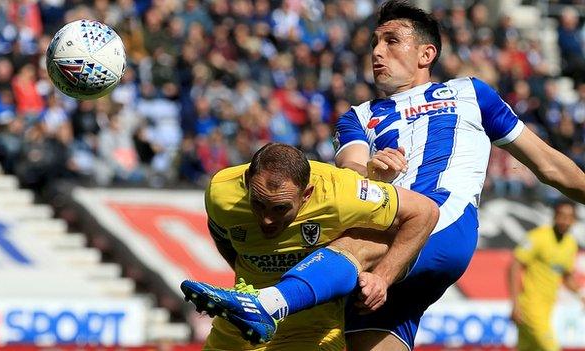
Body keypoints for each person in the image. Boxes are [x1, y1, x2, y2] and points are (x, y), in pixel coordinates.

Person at [186, 1, 585, 350]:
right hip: (386, 249)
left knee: (351, 242)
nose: (377, 51)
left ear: (426, 53)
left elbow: (548, 164)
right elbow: (352, 174)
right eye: (375, 42)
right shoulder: (357, 116)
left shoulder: (470, 93)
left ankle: (268, 304)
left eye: (392, 41)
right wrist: (372, 170)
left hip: (438, 223)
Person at [181, 142, 439, 350]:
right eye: (258, 203)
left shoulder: (342, 193)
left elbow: (425, 212)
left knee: (367, 238)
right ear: (248, 182)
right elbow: (224, 239)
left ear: (306, 194)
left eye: (280, 208)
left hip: (312, 330)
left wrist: (383, 277)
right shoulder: (221, 191)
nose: (267, 219)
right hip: (240, 317)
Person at [509, 200, 585, 351]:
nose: (565, 221)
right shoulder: (538, 237)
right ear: (554, 217)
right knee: (551, 347)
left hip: (547, 309)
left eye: (569, 217)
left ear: (575, 220)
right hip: (529, 307)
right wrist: (515, 303)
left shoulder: (570, 244)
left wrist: (581, 295)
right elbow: (514, 266)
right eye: (561, 216)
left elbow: (567, 277)